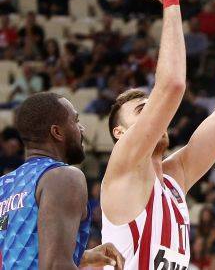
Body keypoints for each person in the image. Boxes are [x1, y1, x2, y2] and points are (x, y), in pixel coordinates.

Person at [101, 0, 215, 268]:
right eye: (142, 110)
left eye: (152, 106)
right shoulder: (123, 168)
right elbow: (173, 85)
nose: (156, 115)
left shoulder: (175, 179)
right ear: (119, 134)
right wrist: (170, 1)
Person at [0, 92, 124, 268]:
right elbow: (55, 266)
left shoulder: (4, 184)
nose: (82, 129)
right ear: (57, 132)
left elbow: (20, 257)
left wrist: (83, 256)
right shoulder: (63, 177)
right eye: (76, 121)